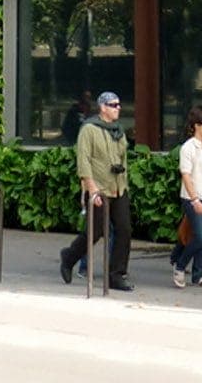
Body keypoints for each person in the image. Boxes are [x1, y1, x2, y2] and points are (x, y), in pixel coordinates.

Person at [59, 91, 133, 291]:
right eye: (113, 105)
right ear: (103, 107)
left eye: (118, 104)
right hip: (98, 188)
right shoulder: (89, 129)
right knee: (95, 232)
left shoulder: (118, 130)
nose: (118, 108)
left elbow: (123, 158)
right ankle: (69, 257)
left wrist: (124, 181)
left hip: (118, 187)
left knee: (124, 230)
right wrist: (91, 189)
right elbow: (83, 161)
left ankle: (116, 275)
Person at [171, 105, 202, 288]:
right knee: (200, 236)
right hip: (192, 196)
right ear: (197, 126)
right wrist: (195, 199)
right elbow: (186, 175)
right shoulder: (188, 147)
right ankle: (180, 266)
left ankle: (198, 275)